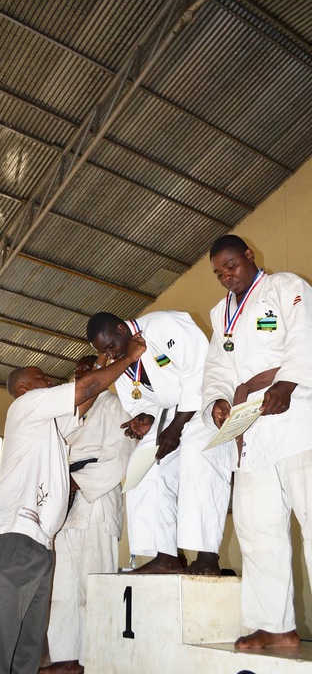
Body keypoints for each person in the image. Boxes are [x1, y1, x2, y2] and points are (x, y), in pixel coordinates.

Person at [0, 332, 146, 674]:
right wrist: (128, 359)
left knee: (26, 641)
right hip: (11, 534)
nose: (50, 380)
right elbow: (85, 391)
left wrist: (103, 363)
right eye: (41, 378)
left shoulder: (52, 423)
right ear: (24, 389)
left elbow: (85, 400)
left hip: (39, 540)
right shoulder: (26, 407)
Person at [202, 234, 312, 650]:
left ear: (249, 256)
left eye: (231, 265)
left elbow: (305, 335)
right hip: (250, 428)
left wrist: (286, 382)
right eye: (218, 273)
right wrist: (217, 399)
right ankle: (275, 625)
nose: (226, 276)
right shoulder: (221, 314)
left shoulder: (286, 287)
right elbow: (216, 367)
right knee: (256, 528)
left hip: (296, 414)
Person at [87, 311, 231, 575]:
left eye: (111, 347)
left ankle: (207, 557)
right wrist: (144, 417)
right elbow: (141, 401)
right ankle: (165, 555)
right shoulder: (120, 362)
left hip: (203, 401)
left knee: (198, 460)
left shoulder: (164, 325)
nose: (110, 355)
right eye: (104, 352)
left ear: (121, 328)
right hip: (169, 414)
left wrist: (175, 428)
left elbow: (199, 370)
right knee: (143, 471)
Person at [40, 355, 134, 674]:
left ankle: (93, 659)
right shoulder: (68, 415)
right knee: (63, 588)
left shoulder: (115, 407)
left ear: (101, 374)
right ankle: (66, 658)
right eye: (77, 372)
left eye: (88, 370)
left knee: (93, 586)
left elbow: (119, 457)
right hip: (64, 505)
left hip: (95, 501)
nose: (80, 376)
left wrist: (75, 482)